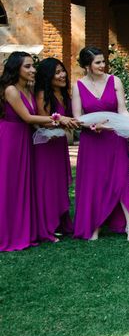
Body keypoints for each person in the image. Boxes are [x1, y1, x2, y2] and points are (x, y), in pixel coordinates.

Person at [0, 52, 76, 251]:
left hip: (26, 139)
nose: (33, 69)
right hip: (10, 140)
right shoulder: (11, 90)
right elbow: (27, 117)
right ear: (16, 68)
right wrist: (59, 119)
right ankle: (9, 232)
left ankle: (28, 228)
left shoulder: (28, 88)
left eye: (33, 66)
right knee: (11, 186)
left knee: (25, 185)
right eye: (27, 66)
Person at [72, 46, 129, 241]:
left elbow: (122, 109)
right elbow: (77, 116)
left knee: (121, 178)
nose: (103, 65)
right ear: (87, 66)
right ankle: (95, 225)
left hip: (114, 138)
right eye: (98, 62)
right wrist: (92, 125)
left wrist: (128, 122)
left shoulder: (114, 81)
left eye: (103, 61)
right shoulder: (78, 86)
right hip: (92, 141)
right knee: (95, 181)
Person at [33, 57, 76, 241]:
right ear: (48, 75)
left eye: (63, 70)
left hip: (59, 145)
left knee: (59, 183)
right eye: (57, 72)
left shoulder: (65, 95)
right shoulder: (43, 94)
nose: (62, 75)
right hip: (46, 147)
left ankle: (60, 222)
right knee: (47, 185)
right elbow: (45, 122)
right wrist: (63, 122)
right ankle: (47, 227)